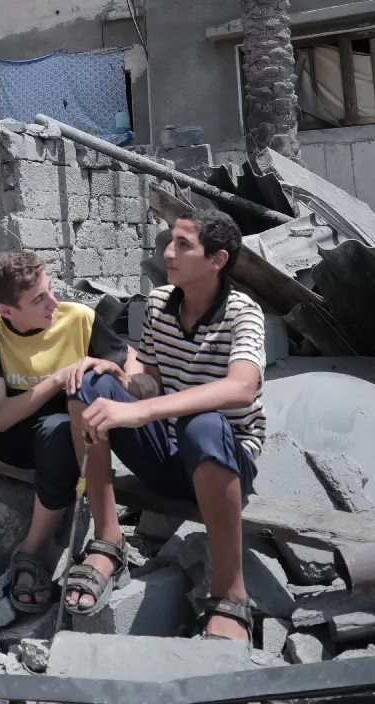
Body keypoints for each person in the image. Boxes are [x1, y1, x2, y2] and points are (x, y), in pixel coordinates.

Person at [64, 207, 266, 641]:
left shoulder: (243, 313)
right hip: (170, 456)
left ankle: (230, 591)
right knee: (89, 384)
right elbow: (152, 379)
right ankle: (109, 540)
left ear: (217, 260)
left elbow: (242, 388)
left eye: (183, 245)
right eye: (170, 242)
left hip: (224, 460)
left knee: (202, 425)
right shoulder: (159, 304)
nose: (168, 253)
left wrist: (140, 412)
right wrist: (123, 379)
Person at [0, 249, 134, 613]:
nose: (53, 303)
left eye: (50, 290)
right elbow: (0, 417)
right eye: (38, 300)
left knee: (57, 427)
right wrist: (57, 379)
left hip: (60, 445)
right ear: (6, 311)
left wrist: (134, 380)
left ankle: (34, 550)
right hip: (8, 435)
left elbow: (127, 362)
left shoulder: (80, 319)